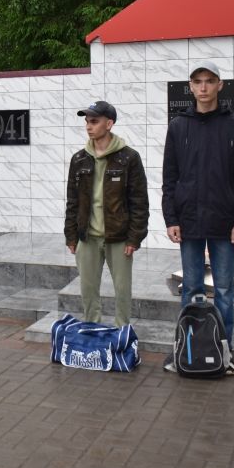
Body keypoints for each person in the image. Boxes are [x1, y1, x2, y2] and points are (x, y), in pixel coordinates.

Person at [162, 60, 234, 347]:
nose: (203, 87)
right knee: (190, 287)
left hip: (224, 222)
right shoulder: (178, 126)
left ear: (220, 85)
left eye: (209, 81)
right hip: (188, 221)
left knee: (224, 289)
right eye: (197, 82)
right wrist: (171, 218)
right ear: (190, 87)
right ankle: (189, 347)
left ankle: (223, 348)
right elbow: (169, 177)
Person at [64, 101, 149, 326]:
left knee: (122, 291)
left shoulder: (129, 158)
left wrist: (134, 237)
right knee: (88, 290)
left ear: (109, 124)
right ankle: (92, 331)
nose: (88, 126)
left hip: (119, 238)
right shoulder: (79, 159)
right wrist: (71, 236)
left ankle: (123, 333)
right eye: (87, 122)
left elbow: (139, 201)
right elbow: (72, 200)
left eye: (94, 121)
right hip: (88, 237)